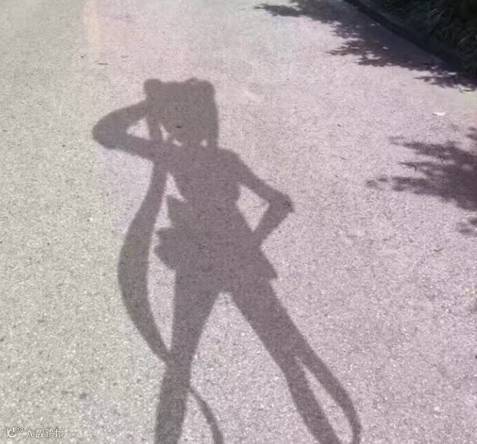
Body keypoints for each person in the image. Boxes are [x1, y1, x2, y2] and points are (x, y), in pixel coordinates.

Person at [93, 78, 360, 444]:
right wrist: (251, 243)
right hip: (239, 260)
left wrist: (148, 106)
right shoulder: (222, 159)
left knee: (182, 360)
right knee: (289, 360)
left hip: (198, 260)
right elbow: (279, 203)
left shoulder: (172, 155)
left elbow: (107, 132)